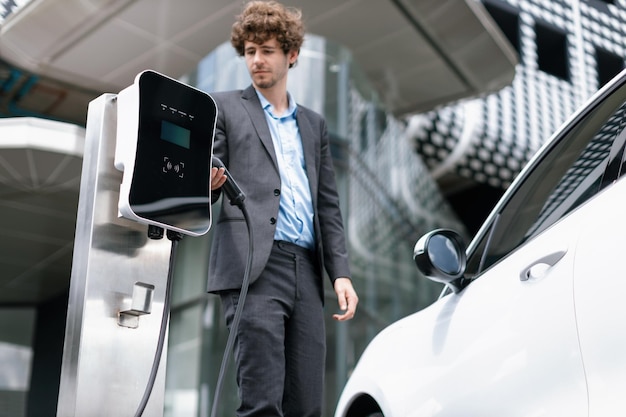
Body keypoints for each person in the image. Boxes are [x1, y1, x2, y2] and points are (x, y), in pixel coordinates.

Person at [207, 1, 359, 416]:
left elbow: (327, 204)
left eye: (268, 50)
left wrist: (340, 274)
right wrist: (209, 183)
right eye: (251, 51)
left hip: (307, 273)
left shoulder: (314, 125)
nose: (257, 60)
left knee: (308, 405)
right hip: (253, 263)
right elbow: (207, 180)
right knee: (262, 402)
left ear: (291, 55)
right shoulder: (225, 108)